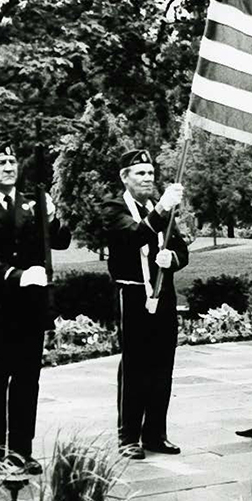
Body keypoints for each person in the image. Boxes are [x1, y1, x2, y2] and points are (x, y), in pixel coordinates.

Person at [0, 140, 72, 474]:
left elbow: (61, 241)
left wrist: (51, 217)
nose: (9, 167)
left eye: (12, 162)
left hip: (29, 308)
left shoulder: (30, 204)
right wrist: (19, 275)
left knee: (26, 381)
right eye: (0, 163)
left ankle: (21, 451)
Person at [102, 149, 189, 460]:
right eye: (140, 173)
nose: (148, 178)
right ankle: (128, 436)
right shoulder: (114, 208)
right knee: (135, 366)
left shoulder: (160, 210)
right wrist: (163, 207)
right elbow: (135, 235)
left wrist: (172, 258)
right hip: (133, 295)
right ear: (125, 177)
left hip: (163, 294)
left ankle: (155, 434)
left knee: (162, 365)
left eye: (151, 172)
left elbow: (181, 249)